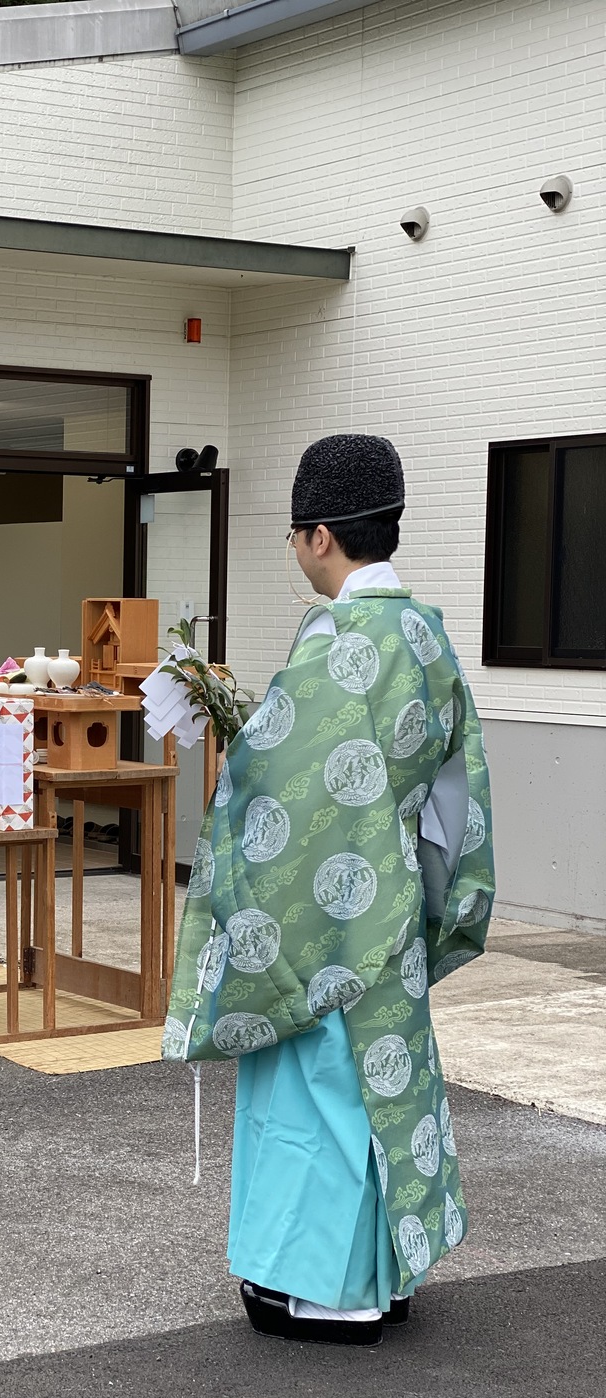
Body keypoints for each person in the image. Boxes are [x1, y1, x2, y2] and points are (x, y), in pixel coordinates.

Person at [164, 434, 495, 1345]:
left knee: (317, 1094)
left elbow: (278, 789)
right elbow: (456, 791)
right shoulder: (427, 635)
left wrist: (235, 745)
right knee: (381, 1089)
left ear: (318, 537)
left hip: (326, 921)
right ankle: (382, 1279)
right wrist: (431, 903)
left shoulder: (337, 642)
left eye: (294, 537)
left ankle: (327, 1291)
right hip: (396, 911)